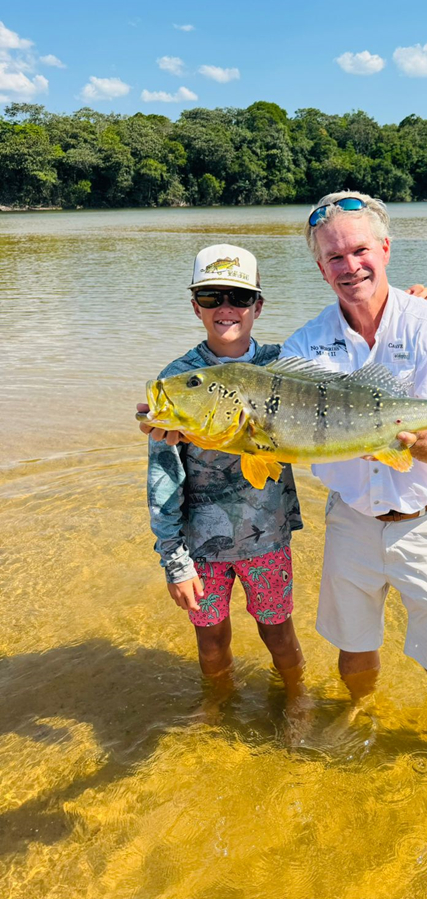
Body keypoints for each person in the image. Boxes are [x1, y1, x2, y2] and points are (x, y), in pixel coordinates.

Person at [280, 192, 427, 783]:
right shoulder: (303, 346)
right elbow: (271, 421)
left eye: (359, 250)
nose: (350, 266)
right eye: (334, 257)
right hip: (352, 518)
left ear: (385, 249)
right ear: (321, 268)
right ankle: (360, 710)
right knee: (353, 647)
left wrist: (402, 437)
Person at [144, 243, 306, 712]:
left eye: (239, 297)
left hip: (268, 538)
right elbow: (162, 481)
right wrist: (174, 560)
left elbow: (351, 355)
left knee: (279, 634)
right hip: (201, 547)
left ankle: (297, 698)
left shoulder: (283, 363)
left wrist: (407, 307)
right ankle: (218, 704)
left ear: (259, 305)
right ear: (195, 306)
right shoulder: (176, 381)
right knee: (211, 642)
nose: (226, 308)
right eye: (211, 297)